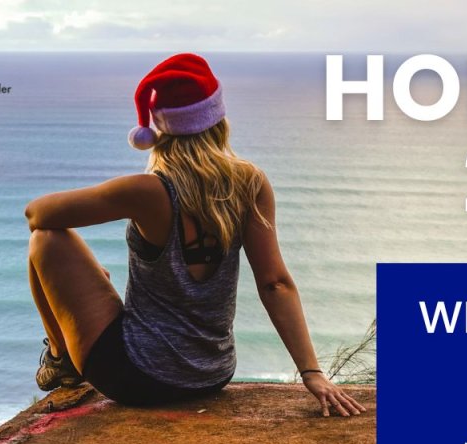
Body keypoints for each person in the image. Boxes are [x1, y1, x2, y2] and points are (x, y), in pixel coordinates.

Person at [25, 53, 365, 417]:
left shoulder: (146, 191)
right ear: (218, 121)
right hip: (211, 375)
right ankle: (69, 348)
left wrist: (114, 197)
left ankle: (60, 359)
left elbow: (37, 214)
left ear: (156, 131)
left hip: (135, 376)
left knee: (45, 240)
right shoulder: (250, 183)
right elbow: (275, 283)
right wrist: (311, 372)